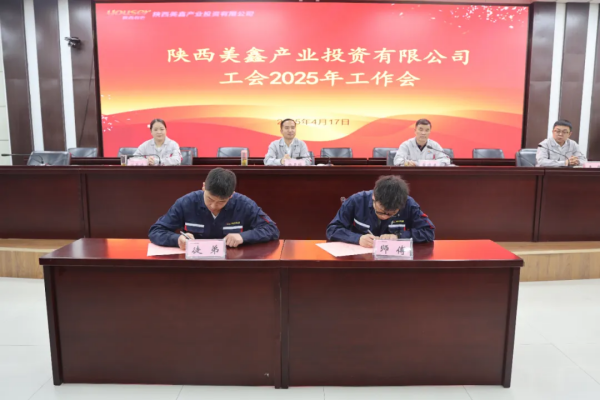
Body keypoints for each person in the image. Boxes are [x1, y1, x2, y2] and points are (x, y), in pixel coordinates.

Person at [149, 168, 279, 249]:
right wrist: (177, 239)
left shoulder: (244, 204)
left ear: (231, 195)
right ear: (203, 187)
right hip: (194, 263)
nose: (213, 206)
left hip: (232, 265)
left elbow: (271, 229)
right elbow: (156, 230)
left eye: (221, 202)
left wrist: (243, 237)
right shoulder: (186, 203)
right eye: (210, 199)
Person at [326, 175, 435, 247]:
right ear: (374, 196)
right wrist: (357, 238)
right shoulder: (356, 201)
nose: (385, 216)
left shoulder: (409, 204)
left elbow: (429, 232)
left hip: (394, 260)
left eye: (391, 214)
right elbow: (332, 229)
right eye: (381, 211)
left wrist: (399, 236)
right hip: (360, 258)